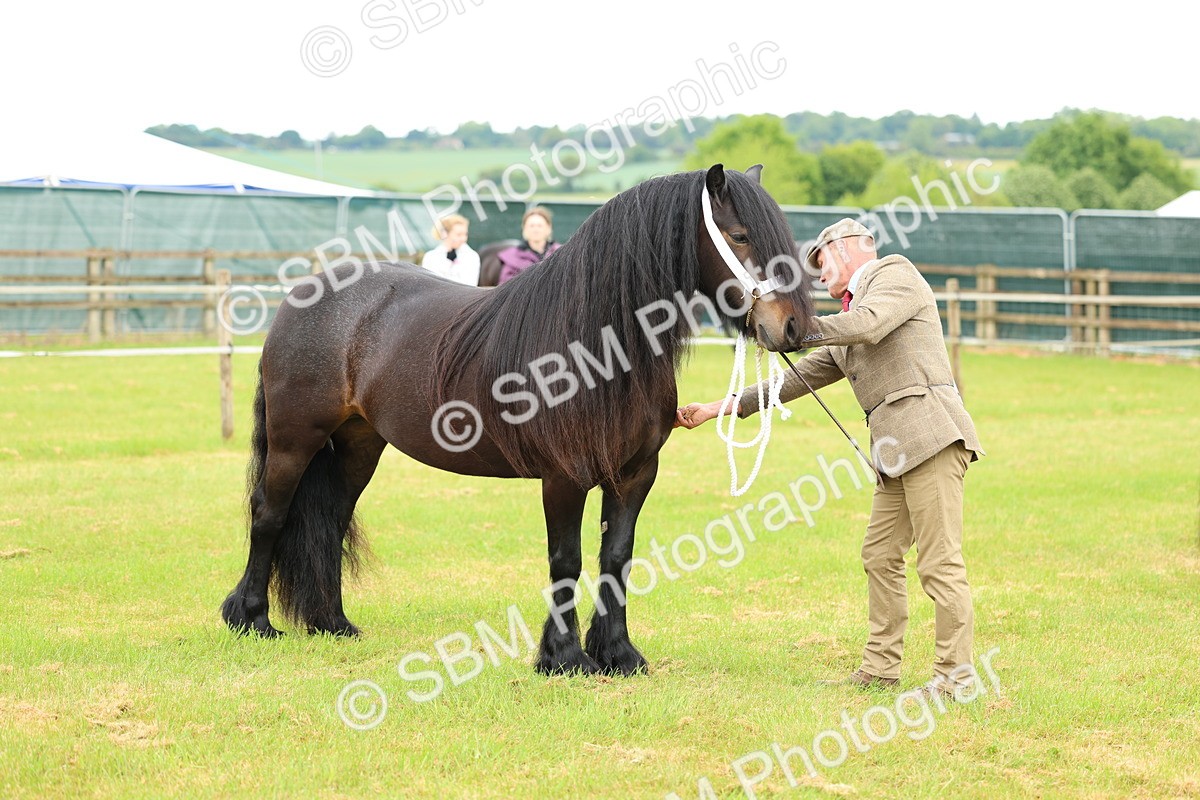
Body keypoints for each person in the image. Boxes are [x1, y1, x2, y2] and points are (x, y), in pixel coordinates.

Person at [675, 218, 985, 698]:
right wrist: (720, 407)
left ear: (848, 248)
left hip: (931, 437)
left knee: (938, 564)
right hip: (896, 453)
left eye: (822, 263)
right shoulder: (850, 315)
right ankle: (880, 669)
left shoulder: (894, 275)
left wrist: (794, 328)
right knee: (879, 555)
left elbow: (869, 325)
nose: (819, 276)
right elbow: (796, 379)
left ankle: (955, 680)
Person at [497, 207, 561, 284]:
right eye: (531, 226)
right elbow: (505, 285)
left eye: (540, 225)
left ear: (548, 228)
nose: (535, 229)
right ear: (524, 229)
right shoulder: (513, 257)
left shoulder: (559, 254)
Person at [421, 214, 481, 286]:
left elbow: (470, 284)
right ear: (444, 234)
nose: (463, 238)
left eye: (465, 234)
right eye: (459, 234)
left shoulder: (472, 256)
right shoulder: (430, 257)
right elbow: (430, 284)